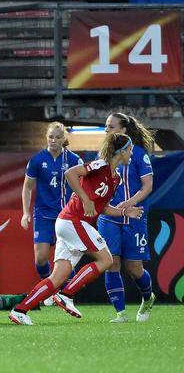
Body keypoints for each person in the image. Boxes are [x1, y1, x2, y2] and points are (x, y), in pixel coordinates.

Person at [9, 133, 144, 326]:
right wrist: (85, 198)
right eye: (130, 149)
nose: (132, 153)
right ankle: (67, 294)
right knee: (106, 259)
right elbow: (70, 173)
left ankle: (20, 310)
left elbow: (102, 208)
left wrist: (124, 212)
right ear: (121, 151)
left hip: (71, 224)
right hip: (73, 221)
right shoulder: (100, 165)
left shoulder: (115, 179)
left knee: (58, 277)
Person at [98, 113, 156, 323]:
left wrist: (128, 204)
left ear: (123, 130)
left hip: (134, 217)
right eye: (105, 126)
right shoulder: (102, 155)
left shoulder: (139, 154)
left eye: (110, 126)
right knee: (111, 262)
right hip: (109, 218)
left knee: (134, 269)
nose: (106, 130)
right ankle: (120, 314)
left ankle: (148, 297)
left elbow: (147, 186)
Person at [21, 122, 82, 304]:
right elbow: (27, 188)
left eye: (57, 137)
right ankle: (47, 287)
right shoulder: (38, 160)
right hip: (43, 214)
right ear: (46, 138)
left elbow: (83, 185)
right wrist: (25, 213)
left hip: (66, 216)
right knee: (40, 259)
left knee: (66, 260)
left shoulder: (73, 160)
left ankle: (66, 296)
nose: (53, 140)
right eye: (50, 137)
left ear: (64, 139)